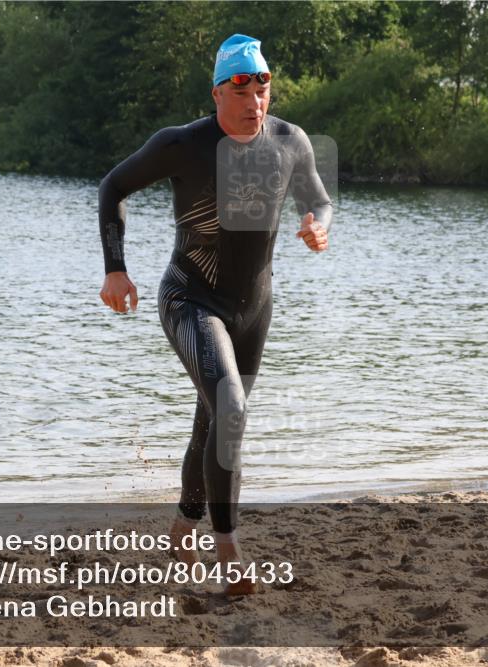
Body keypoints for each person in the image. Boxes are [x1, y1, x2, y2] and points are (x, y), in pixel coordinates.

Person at [97, 34, 333, 593]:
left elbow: (318, 198)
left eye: (263, 86)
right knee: (229, 404)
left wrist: (318, 222)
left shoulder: (290, 141)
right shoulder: (183, 144)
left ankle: (184, 524)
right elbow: (114, 186)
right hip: (190, 298)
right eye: (241, 88)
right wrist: (115, 268)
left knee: (216, 418)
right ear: (218, 92)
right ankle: (227, 549)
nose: (255, 101)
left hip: (254, 309)